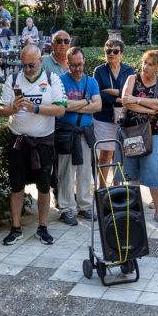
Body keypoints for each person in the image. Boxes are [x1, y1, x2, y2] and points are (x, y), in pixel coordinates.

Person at [0, 45, 67, 245]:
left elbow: (61, 109)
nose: (27, 69)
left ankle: (43, 226)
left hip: (43, 142)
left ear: (40, 60)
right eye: (24, 65)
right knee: (16, 185)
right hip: (18, 141)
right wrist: (12, 108)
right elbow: (1, 109)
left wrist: (36, 108)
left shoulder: (52, 79)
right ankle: (16, 227)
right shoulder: (13, 79)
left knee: (44, 186)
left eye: (31, 65)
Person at [120, 49, 158, 223]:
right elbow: (125, 100)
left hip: (152, 133)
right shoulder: (132, 79)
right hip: (131, 132)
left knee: (154, 171)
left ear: (157, 67)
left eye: (150, 64)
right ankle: (135, 210)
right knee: (132, 171)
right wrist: (150, 109)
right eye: (144, 63)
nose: (145, 67)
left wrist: (138, 100)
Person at [55, 47, 102, 226]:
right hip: (67, 132)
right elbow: (62, 105)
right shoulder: (60, 81)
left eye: (80, 64)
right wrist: (86, 102)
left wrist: (75, 105)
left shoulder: (91, 82)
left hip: (85, 132)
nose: (77, 69)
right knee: (66, 172)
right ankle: (67, 208)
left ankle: (85, 205)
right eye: (73, 65)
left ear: (84, 63)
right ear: (67, 63)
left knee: (84, 172)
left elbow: (98, 106)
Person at [93, 39, 135, 188]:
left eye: (115, 51)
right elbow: (97, 94)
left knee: (120, 155)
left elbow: (132, 92)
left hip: (124, 118)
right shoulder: (99, 70)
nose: (112, 54)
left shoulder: (129, 71)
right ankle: (103, 188)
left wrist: (112, 92)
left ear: (121, 54)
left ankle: (118, 187)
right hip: (104, 118)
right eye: (108, 51)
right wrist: (120, 96)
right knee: (105, 153)